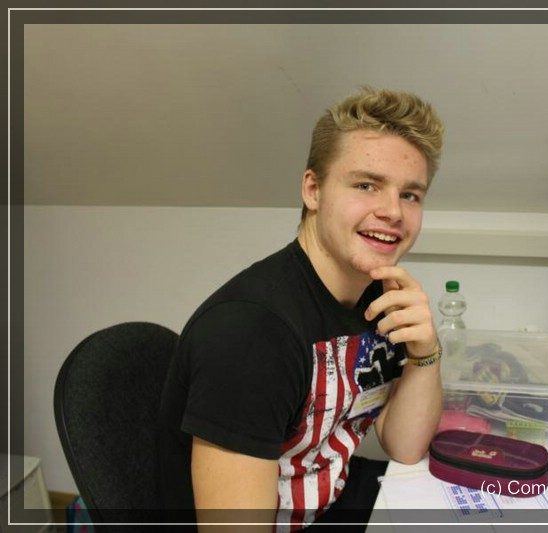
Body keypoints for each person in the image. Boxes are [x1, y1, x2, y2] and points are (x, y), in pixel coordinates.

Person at [157, 87, 445, 531]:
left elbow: (404, 446)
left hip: (329, 504)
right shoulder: (250, 333)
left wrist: (426, 351)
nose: (393, 212)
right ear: (313, 190)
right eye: (366, 185)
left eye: (410, 195)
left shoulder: (377, 293)